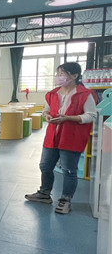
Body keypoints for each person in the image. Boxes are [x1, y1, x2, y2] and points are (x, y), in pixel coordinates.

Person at [25, 62, 96, 214]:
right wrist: (47, 115)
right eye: (58, 74)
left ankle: (65, 199)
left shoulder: (84, 94)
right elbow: (46, 110)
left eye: (62, 74)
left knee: (69, 170)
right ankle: (44, 193)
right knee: (45, 166)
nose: (58, 77)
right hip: (52, 135)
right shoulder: (53, 93)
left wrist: (69, 118)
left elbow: (91, 115)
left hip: (71, 137)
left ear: (75, 76)